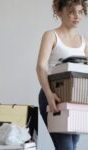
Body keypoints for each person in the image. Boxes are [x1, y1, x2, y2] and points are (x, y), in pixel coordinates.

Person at [36, 0, 88, 150]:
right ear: (59, 11)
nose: (76, 16)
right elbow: (40, 67)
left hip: (77, 98)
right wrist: (49, 95)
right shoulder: (51, 35)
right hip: (53, 95)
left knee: (72, 145)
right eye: (71, 12)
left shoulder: (84, 41)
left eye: (80, 12)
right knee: (66, 147)